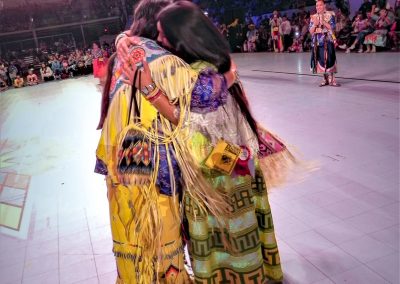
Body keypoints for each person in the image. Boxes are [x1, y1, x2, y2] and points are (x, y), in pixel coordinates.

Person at [117, 1, 289, 283]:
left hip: (220, 173)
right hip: (233, 167)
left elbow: (188, 123)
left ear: (183, 37)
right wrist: (124, 38)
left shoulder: (203, 73)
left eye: (162, 34)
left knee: (226, 236)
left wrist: (149, 89)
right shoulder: (215, 63)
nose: (159, 40)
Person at [96, 0, 230, 282]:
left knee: (133, 229)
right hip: (152, 161)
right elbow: (207, 93)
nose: (162, 36)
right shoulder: (165, 61)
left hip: (124, 159)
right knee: (160, 226)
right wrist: (229, 71)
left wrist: (123, 37)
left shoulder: (120, 55)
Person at [309, 0, 340, 87]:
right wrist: (315, 25)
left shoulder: (330, 14)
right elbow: (311, 32)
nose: (318, 7)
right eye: (316, 5)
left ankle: (332, 79)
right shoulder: (313, 17)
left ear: (324, 6)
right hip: (317, 41)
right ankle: (325, 79)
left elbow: (332, 28)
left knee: (329, 58)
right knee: (321, 59)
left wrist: (324, 22)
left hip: (328, 39)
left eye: (320, 5)